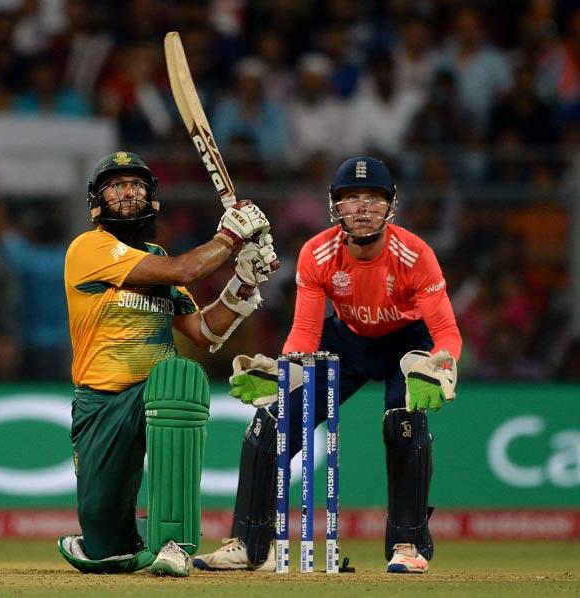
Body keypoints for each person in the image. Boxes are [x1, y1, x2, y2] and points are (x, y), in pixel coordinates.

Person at [193, 156, 461, 574]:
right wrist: (284, 374)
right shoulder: (317, 253)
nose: (362, 208)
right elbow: (304, 333)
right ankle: (250, 545)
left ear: (390, 204)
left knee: (403, 421)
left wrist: (443, 365)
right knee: (270, 424)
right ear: (335, 205)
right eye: (351, 198)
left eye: (372, 198)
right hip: (348, 340)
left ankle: (408, 546)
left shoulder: (415, 254)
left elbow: (446, 329)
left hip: (407, 342)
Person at [57, 151, 278, 577]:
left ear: (152, 199)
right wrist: (230, 238)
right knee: (103, 541)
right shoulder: (89, 248)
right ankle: (133, 536)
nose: (128, 192)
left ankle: (174, 542)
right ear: (96, 202)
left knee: (179, 379)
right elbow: (185, 268)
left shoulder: (155, 254)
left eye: (137, 185)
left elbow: (201, 332)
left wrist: (243, 281)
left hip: (155, 393)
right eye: (117, 185)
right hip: (100, 402)